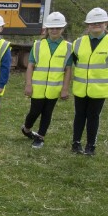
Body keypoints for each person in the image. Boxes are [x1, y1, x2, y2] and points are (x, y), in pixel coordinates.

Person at [70, 7, 108, 156]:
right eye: (93, 23)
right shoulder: (78, 42)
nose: (96, 25)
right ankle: (76, 143)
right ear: (87, 25)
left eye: (99, 23)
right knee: (79, 115)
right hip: (81, 87)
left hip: (99, 88)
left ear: (106, 24)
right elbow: (75, 61)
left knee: (93, 116)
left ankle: (91, 146)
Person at [21, 12, 73, 149]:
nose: (54, 31)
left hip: (54, 88)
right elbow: (31, 66)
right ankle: (26, 128)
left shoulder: (68, 47)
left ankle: (40, 137)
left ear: (63, 29)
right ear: (47, 29)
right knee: (34, 111)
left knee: (47, 113)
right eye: (52, 28)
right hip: (37, 87)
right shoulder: (38, 45)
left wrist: (65, 88)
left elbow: (68, 69)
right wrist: (28, 84)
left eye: (58, 28)